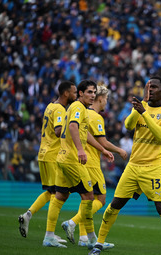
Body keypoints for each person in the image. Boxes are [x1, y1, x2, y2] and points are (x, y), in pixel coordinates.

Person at [89, 76, 161, 255]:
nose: (150, 89)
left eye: (154, 87)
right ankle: (99, 244)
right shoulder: (142, 105)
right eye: (148, 86)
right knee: (114, 205)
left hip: (155, 166)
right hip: (133, 166)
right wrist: (140, 108)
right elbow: (127, 125)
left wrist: (144, 113)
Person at [43, 80, 114, 248]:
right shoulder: (78, 107)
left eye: (94, 92)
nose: (93, 95)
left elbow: (84, 132)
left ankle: (49, 237)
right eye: (89, 92)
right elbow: (74, 127)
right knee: (89, 197)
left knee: (60, 196)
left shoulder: (77, 108)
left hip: (62, 158)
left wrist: (101, 149)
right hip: (71, 160)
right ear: (81, 93)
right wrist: (81, 150)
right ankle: (90, 240)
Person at [61, 83, 127, 249]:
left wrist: (102, 150)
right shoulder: (95, 116)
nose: (106, 103)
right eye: (106, 99)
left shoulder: (83, 111)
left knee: (87, 198)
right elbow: (101, 139)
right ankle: (73, 222)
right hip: (89, 162)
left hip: (80, 159)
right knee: (100, 198)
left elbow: (86, 134)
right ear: (100, 98)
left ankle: (85, 237)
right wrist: (119, 150)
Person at [18, 80, 77, 241]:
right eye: (74, 92)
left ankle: (28, 215)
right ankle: (49, 234)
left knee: (51, 192)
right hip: (53, 155)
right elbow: (58, 131)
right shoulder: (59, 109)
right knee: (58, 194)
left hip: (43, 153)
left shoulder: (50, 105)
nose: (76, 94)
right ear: (66, 93)